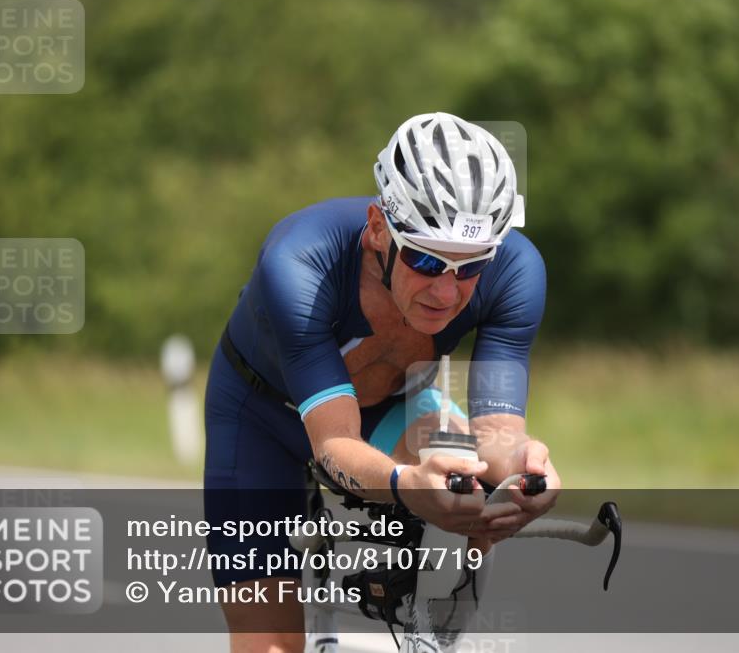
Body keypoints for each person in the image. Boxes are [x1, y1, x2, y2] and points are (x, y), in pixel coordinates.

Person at [204, 112, 559, 652]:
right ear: (377, 229)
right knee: (270, 645)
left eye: (470, 266)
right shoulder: (299, 261)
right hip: (260, 415)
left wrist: (526, 472)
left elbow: (497, 431)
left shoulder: (516, 272)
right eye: (425, 259)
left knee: (472, 487)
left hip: (393, 402)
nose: (447, 291)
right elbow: (333, 443)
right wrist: (404, 486)